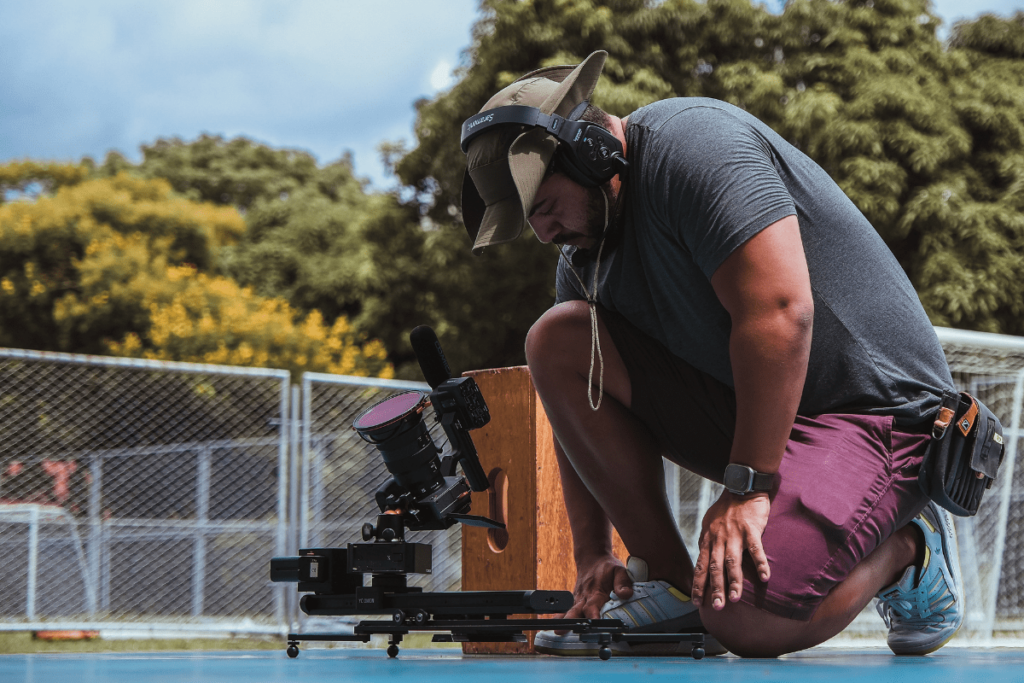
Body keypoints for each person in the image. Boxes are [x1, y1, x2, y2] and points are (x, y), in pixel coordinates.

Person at [458, 51, 964, 658]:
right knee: (557, 338)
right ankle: (669, 585)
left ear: (591, 153)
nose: (545, 234)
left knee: (745, 621)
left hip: (880, 414)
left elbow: (780, 313)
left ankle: (911, 548)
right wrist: (592, 552)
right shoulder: (585, 261)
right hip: (770, 414)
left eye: (544, 208)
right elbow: (579, 414)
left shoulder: (694, 145)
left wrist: (747, 489)